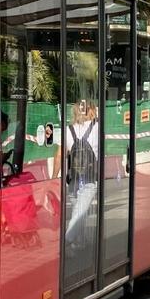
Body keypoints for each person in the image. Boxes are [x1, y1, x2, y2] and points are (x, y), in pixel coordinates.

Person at [64, 100, 99, 246]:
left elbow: (62, 154)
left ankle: (79, 241)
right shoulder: (97, 127)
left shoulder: (68, 129)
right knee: (80, 212)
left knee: (78, 209)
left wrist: (54, 177)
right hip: (90, 177)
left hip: (72, 178)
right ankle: (66, 243)